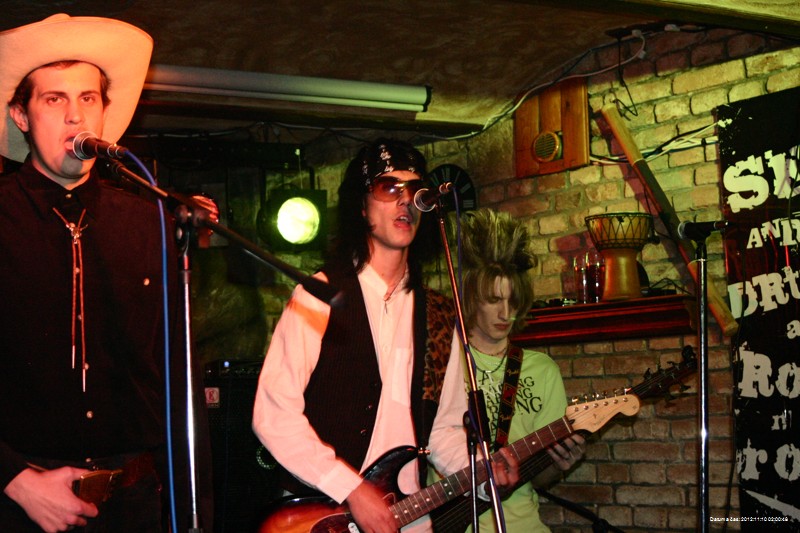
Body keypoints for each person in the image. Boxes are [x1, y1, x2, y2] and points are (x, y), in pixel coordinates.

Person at [0, 14, 210, 532]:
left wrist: (192, 510)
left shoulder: (149, 221)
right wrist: (15, 480)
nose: (76, 116)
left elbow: (178, 375)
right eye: (55, 99)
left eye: (88, 98)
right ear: (21, 115)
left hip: (132, 504)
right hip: (20, 504)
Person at [253, 139, 519, 533]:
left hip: (409, 517)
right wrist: (350, 488)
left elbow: (442, 431)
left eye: (415, 190)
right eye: (388, 188)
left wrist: (484, 475)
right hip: (324, 516)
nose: (405, 201)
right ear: (362, 206)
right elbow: (273, 414)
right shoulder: (319, 296)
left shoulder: (439, 314)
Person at [454, 208, 585, 533]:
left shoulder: (541, 370)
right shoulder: (445, 362)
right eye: (494, 300)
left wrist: (559, 464)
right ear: (471, 299)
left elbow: (539, 479)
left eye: (513, 302)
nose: (505, 313)